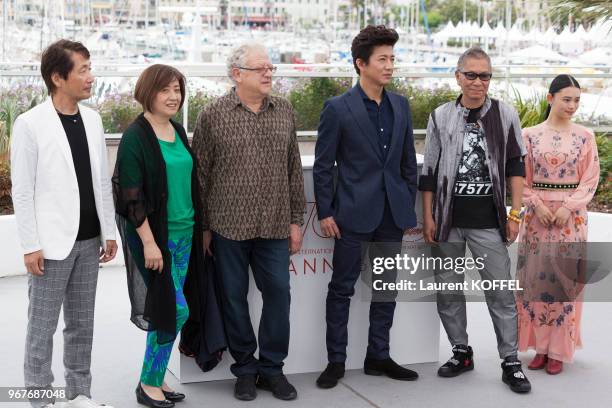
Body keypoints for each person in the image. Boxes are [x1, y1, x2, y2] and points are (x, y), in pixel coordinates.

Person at [192, 43, 306, 402]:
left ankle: (273, 369)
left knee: (279, 296)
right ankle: (245, 368)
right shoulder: (211, 114)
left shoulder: (285, 110)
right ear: (237, 74)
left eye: (271, 67)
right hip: (227, 226)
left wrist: (295, 220)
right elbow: (201, 175)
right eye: (261, 69)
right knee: (232, 299)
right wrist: (206, 228)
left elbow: (293, 169)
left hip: (274, 224)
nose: (269, 73)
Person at [418, 46, 532, 393]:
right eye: (471, 75)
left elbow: (516, 166)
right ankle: (460, 352)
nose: (478, 82)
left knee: (499, 291)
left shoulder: (505, 114)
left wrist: (516, 214)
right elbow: (429, 171)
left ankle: (510, 361)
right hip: (448, 218)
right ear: (458, 76)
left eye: (485, 75)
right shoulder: (440, 116)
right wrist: (428, 216)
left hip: (490, 221)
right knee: (449, 291)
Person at [11, 39, 117, 408]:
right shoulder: (30, 123)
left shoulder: (93, 118)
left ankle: (79, 394)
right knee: (42, 330)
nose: (91, 76)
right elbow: (22, 191)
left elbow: (101, 180)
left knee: (81, 326)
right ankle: (41, 400)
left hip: (90, 241)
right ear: (58, 77)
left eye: (91, 67)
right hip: (51, 245)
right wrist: (29, 245)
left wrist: (110, 231)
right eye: (83, 69)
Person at [313, 25, 419, 389]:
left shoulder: (401, 105)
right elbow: (324, 164)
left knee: (385, 288)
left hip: (392, 214)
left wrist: (406, 204)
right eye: (382, 59)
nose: (390, 65)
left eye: (392, 58)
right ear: (361, 63)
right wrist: (325, 211)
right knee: (341, 288)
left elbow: (408, 162)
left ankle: (378, 356)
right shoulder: (337, 108)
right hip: (352, 214)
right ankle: (336, 361)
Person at [113, 64, 208, 408]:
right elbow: (130, 195)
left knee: (171, 309)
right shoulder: (136, 136)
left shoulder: (178, 131)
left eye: (177, 90)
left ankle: (153, 379)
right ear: (148, 92)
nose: (173, 97)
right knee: (175, 309)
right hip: (155, 239)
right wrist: (150, 242)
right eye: (165, 90)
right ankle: (149, 383)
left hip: (185, 234)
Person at [516, 74, 600, 375]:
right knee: (535, 280)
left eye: (577, 100)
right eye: (567, 98)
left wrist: (568, 207)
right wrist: (536, 204)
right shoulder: (528, 135)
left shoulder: (585, 137)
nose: (572, 105)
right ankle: (539, 347)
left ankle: (558, 351)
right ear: (550, 98)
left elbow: (590, 178)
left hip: (571, 221)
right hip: (536, 220)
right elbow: (518, 178)